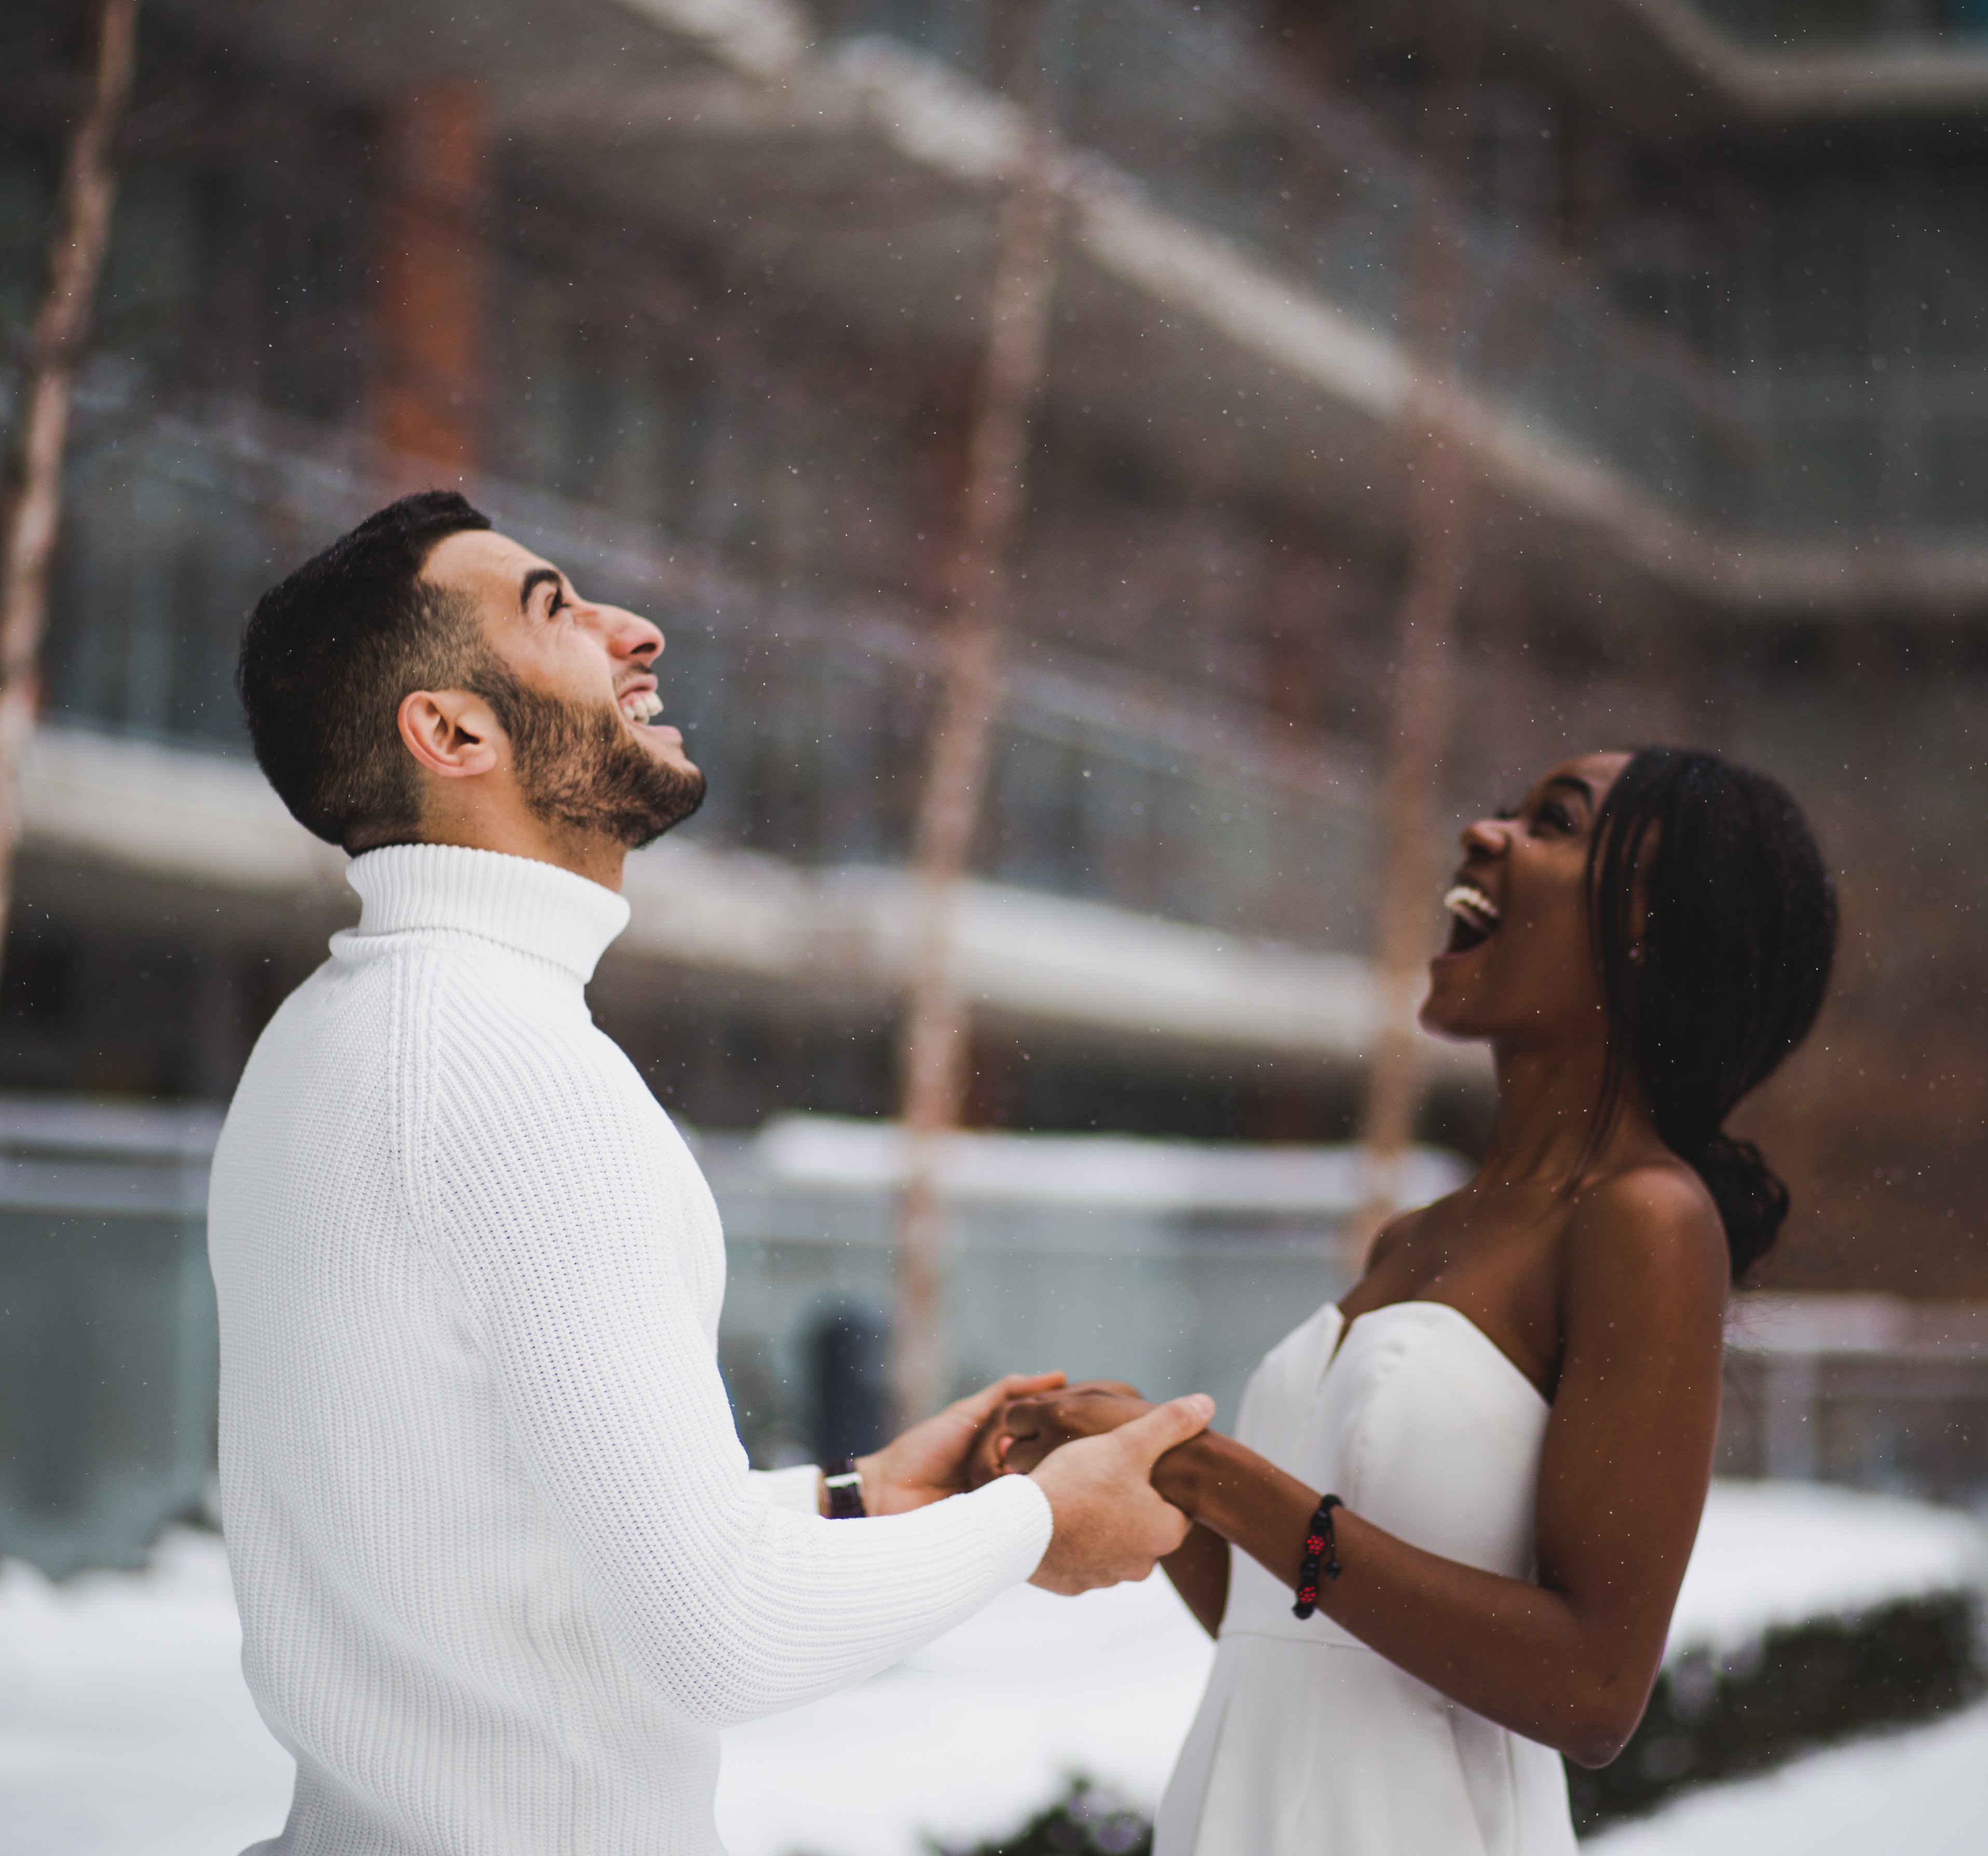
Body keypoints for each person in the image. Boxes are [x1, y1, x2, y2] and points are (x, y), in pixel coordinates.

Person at [211, 489, 1212, 1856]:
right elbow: (719, 1636)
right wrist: (1040, 1522)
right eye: (556, 611)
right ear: (450, 731)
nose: (640, 630)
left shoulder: (326, 1045)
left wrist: (853, 1500)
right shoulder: (518, 1078)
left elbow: (497, 1536)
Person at [997, 748, 1839, 1854]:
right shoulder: (1420, 1233)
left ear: (1646, 921)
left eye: (1554, 822)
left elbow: (1593, 1688)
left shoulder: (1647, 1221)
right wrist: (1142, 1468)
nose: (1482, 836)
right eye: (1503, 810)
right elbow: (1296, 1633)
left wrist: (1213, 1473)